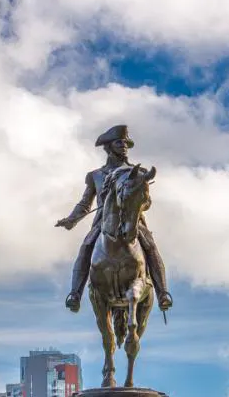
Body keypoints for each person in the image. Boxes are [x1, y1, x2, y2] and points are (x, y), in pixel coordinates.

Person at [56, 124, 172, 312]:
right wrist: (72, 219)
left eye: (126, 143)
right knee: (86, 247)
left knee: (150, 247)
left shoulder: (138, 173)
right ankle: (75, 293)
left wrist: (136, 205)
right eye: (120, 142)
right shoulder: (95, 175)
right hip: (103, 222)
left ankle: (162, 293)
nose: (124, 146)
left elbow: (147, 202)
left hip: (133, 221)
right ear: (109, 146)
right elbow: (85, 204)